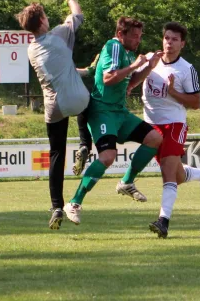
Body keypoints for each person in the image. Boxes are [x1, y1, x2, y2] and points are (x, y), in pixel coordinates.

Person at [64, 17, 164, 225]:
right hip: (102, 111)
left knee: (154, 138)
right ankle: (74, 203)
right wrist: (136, 65)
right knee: (108, 157)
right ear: (121, 34)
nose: (138, 40)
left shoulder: (127, 52)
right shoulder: (114, 46)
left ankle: (126, 182)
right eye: (134, 36)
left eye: (140, 36)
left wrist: (149, 67)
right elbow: (109, 79)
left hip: (120, 112)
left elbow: (130, 84)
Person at [18, 0, 90, 230]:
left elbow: (62, 70)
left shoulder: (31, 50)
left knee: (56, 154)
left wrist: (80, 70)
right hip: (77, 100)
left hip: (55, 107)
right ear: (43, 21)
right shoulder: (59, 34)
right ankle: (84, 144)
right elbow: (77, 15)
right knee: (89, 99)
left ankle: (56, 206)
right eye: (46, 16)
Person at [131, 22, 200, 238]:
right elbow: (132, 82)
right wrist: (146, 66)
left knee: (167, 173)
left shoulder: (186, 69)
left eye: (174, 39)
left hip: (174, 124)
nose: (169, 42)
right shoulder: (151, 59)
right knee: (175, 176)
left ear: (182, 44)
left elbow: (196, 102)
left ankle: (163, 221)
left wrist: (173, 92)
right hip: (150, 126)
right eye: (167, 38)